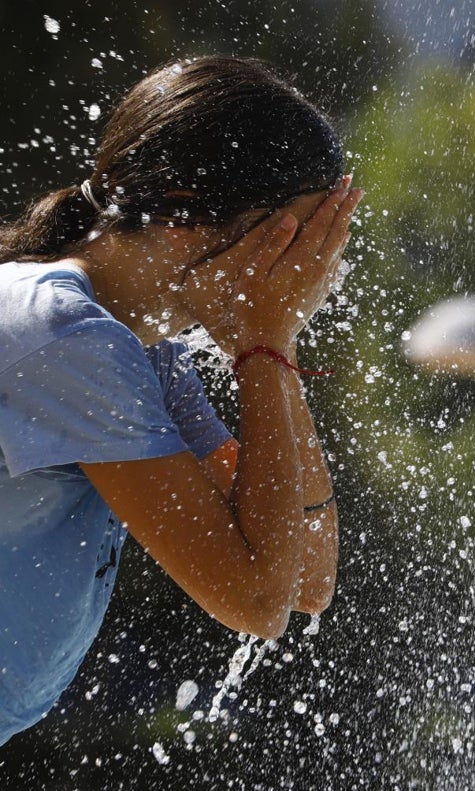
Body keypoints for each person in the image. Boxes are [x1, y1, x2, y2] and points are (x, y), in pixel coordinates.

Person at [0, 56, 363, 746]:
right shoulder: (64, 335)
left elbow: (304, 580)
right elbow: (254, 599)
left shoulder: (142, 350)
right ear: (185, 215)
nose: (314, 275)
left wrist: (270, 345)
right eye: (291, 241)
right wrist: (265, 340)